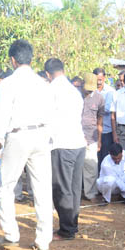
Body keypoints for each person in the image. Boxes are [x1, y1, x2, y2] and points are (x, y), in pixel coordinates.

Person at [0, 40, 53, 250]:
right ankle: (43, 240)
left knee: (6, 186)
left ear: (13, 60)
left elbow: (2, 116)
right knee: (42, 189)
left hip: (18, 136)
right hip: (41, 135)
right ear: (31, 59)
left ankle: (11, 235)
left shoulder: (8, 83)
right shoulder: (43, 83)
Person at [44, 58, 85, 240]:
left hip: (62, 144)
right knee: (75, 188)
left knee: (62, 187)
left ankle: (67, 229)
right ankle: (72, 225)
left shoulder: (51, 90)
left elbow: (46, 119)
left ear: (47, 74)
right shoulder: (74, 90)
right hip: (78, 143)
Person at [80, 72, 105, 200]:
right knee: (76, 168)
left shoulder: (100, 98)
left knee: (91, 167)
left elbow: (100, 120)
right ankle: (75, 194)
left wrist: (99, 140)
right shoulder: (76, 95)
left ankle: (90, 194)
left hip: (92, 137)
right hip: (76, 136)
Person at [93, 67, 116, 165]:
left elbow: (107, 109)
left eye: (100, 80)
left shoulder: (110, 91)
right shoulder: (90, 90)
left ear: (104, 78)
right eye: (97, 80)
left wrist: (93, 107)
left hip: (106, 131)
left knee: (106, 160)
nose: (98, 82)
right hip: (92, 132)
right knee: (94, 160)